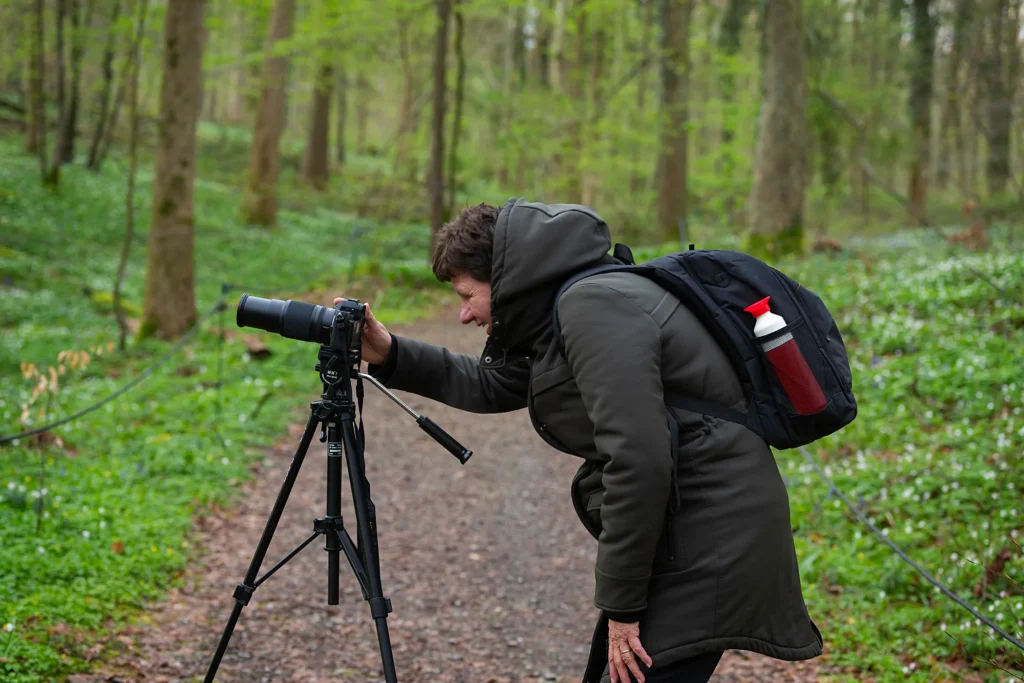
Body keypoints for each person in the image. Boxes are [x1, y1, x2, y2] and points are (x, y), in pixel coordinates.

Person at [338, 199, 823, 683]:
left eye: (468, 295)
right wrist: (390, 351)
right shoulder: (567, 306)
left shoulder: (592, 307)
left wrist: (623, 605)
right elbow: (497, 383)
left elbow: (639, 459)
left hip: (712, 535)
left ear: (504, 278)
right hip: (690, 525)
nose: (464, 315)